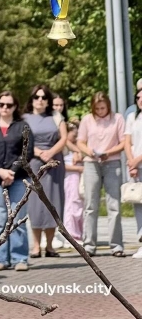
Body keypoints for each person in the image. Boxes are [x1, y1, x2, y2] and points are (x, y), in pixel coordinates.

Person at [0, 91, 33, 271]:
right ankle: (1, 258)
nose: (5, 108)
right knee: (0, 219)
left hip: (18, 179)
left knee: (17, 218)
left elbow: (27, 152)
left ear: (15, 107)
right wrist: (1, 171)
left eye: (9, 105)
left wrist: (11, 171)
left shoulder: (22, 126)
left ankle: (20, 258)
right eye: (1, 104)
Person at [78, 92, 126, 256]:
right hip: (91, 163)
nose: (100, 111)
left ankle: (116, 245)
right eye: (97, 108)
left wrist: (108, 152)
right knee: (91, 205)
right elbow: (80, 142)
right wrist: (89, 151)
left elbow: (123, 142)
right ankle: (89, 245)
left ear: (108, 106)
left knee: (114, 205)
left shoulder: (118, 118)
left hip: (112, 162)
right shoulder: (86, 119)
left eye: (103, 108)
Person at [22, 84, 67, 259]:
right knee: (35, 204)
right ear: (32, 99)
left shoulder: (56, 116)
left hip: (54, 163)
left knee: (53, 203)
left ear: (48, 100)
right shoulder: (24, 118)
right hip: (34, 163)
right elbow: (22, 141)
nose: (40, 100)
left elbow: (63, 138)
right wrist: (39, 152)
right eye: (36, 97)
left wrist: (50, 152)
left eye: (43, 97)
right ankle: (35, 246)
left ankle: (49, 246)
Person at [125, 88, 142, 258]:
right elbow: (127, 141)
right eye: (138, 97)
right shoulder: (132, 117)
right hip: (136, 166)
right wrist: (132, 162)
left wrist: (137, 160)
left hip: (139, 162)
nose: (140, 100)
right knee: (138, 204)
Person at [63, 122, 84, 243]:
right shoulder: (64, 146)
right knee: (71, 205)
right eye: (73, 134)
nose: (75, 137)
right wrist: (79, 168)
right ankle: (71, 233)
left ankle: (79, 232)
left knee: (79, 204)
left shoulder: (78, 147)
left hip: (78, 178)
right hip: (70, 177)